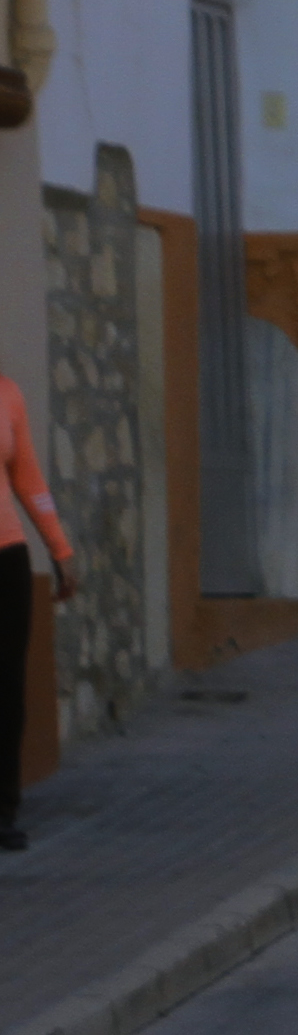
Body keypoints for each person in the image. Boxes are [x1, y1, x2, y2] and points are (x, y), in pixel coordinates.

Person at [0, 361, 76, 848]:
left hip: (6, 559)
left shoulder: (8, 393)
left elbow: (28, 477)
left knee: (6, 687)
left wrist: (60, 548)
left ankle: (2, 808)